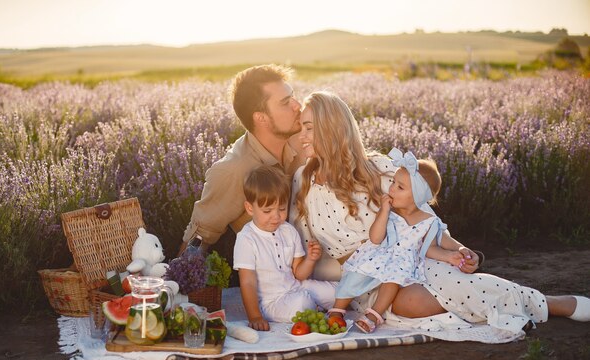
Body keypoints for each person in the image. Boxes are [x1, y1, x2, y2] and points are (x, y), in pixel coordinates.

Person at [290, 90, 590, 334]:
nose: (301, 135)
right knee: (414, 305)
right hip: (362, 280)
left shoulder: (377, 169)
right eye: (300, 127)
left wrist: (459, 248)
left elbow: (421, 216)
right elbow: (303, 248)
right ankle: (512, 309)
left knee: (453, 283)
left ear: (331, 129)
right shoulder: (303, 181)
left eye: (308, 127)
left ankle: (550, 304)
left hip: (411, 258)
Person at [179, 64, 305, 255]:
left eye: (293, 96)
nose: (297, 105)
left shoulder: (304, 138)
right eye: (286, 102)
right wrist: (177, 280)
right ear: (261, 118)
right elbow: (198, 239)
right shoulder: (234, 170)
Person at [336, 149, 465, 333]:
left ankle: (374, 315)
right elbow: (375, 238)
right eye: (393, 183)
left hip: (401, 262)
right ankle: (337, 308)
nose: (391, 189)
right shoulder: (391, 213)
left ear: (417, 197)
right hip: (379, 253)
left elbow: (429, 249)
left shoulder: (429, 222)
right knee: (356, 274)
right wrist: (383, 212)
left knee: (392, 280)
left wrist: (451, 256)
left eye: (400, 187)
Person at [233, 165, 336, 331]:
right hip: (272, 301)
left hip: (296, 286)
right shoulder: (247, 239)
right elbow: (247, 282)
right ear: (250, 208)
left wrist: (310, 259)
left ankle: (319, 306)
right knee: (302, 303)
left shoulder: (288, 230)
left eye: (282, 209)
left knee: (337, 292)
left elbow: (299, 274)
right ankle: (317, 308)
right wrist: (255, 317)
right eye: (267, 210)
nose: (276, 216)